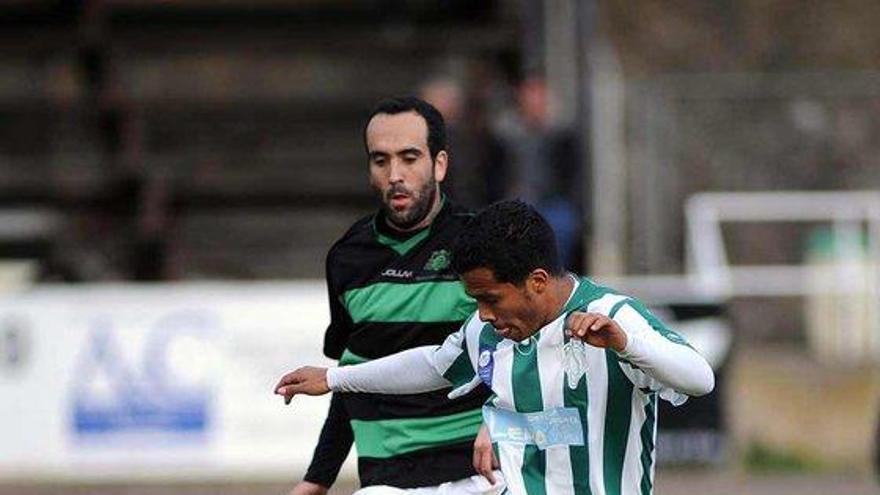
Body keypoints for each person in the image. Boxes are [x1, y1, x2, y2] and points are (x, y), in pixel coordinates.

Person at [276, 199, 715, 495]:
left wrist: (625, 343)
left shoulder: (612, 317)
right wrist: (334, 378)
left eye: (490, 298)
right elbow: (434, 364)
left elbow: (700, 378)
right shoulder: (491, 330)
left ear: (537, 282)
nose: (483, 314)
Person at [288, 96, 500, 495]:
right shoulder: (347, 259)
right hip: (390, 480)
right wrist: (317, 478)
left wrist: (499, 421)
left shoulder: (482, 243)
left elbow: (524, 349)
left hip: (484, 472)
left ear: (439, 164)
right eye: (380, 160)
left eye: (409, 158)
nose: (394, 174)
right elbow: (351, 375)